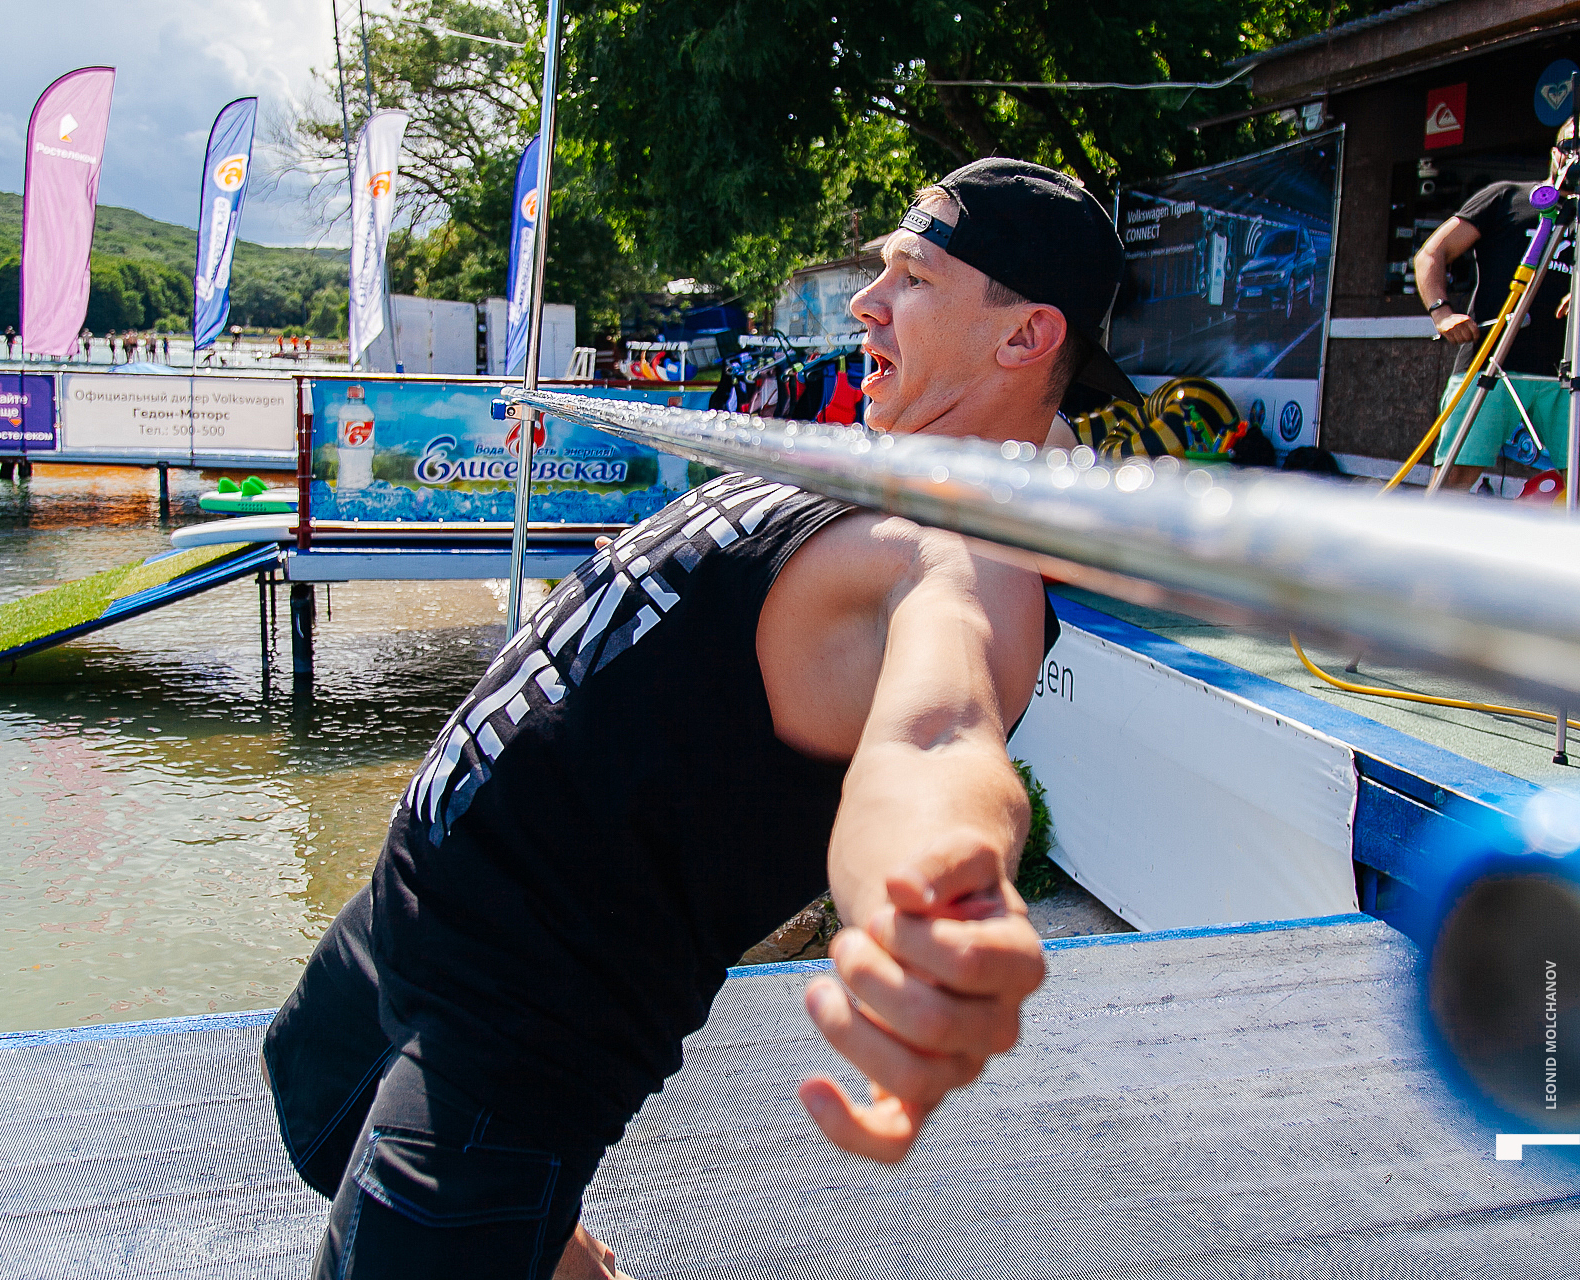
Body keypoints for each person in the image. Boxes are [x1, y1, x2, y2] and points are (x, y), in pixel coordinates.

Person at [262, 158, 1136, 1280]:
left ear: (1024, 337)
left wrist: (939, 893)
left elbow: (941, 733)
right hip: (416, 908)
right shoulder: (890, 459)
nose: (868, 303)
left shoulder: (969, 563)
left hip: (518, 1027)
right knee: (315, 1114)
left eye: (913, 278)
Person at [1414, 117, 1577, 492]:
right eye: (1572, 146)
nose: (1577, 157)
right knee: (1454, 477)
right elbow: (1432, 252)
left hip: (1568, 374)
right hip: (1490, 361)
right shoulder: (1507, 196)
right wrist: (1442, 312)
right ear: (1555, 153)